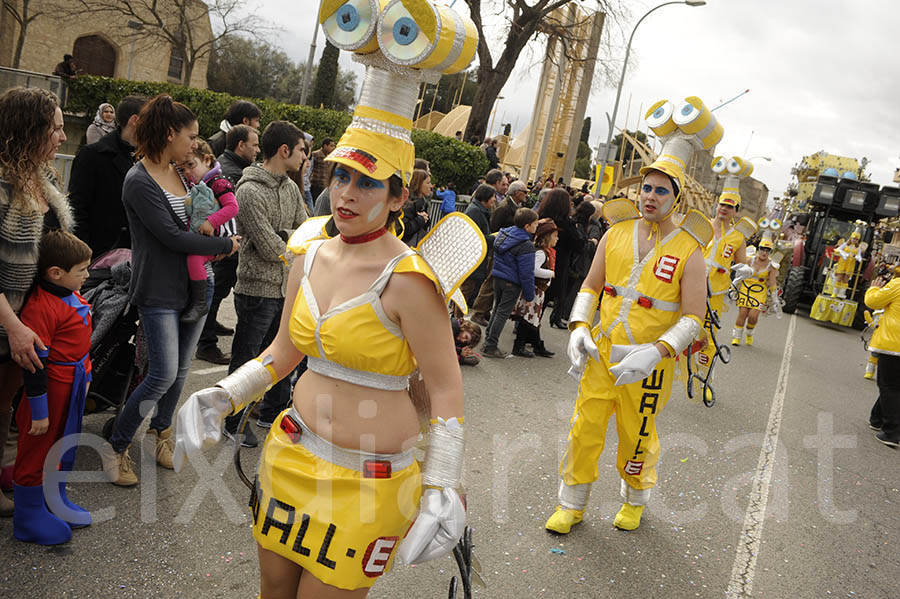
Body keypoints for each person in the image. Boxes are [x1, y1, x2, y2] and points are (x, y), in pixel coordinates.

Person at [172, 6, 482, 587]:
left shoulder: (410, 279)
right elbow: (284, 351)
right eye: (340, 175)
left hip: (369, 480)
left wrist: (441, 482)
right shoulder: (308, 249)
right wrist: (222, 394)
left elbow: (445, 386)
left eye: (368, 182)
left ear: (396, 198)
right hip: (292, 456)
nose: (346, 192)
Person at [547, 109, 713, 534]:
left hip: (649, 365)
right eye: (646, 188)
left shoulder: (690, 252)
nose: (650, 197)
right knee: (584, 427)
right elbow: (590, 285)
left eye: (660, 190)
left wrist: (657, 352)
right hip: (602, 353)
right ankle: (572, 503)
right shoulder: (613, 234)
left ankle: (635, 499)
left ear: (676, 198)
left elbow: (695, 317)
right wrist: (579, 327)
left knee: (636, 434)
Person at [104, 95, 239, 486]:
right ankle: (117, 445)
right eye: (190, 136)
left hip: (197, 284)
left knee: (180, 373)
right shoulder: (139, 180)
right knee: (161, 374)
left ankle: (160, 434)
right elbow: (173, 237)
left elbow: (205, 212)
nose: (194, 144)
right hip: (159, 288)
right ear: (168, 134)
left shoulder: (181, 172)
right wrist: (225, 246)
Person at [0, 87, 71, 517]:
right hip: (9, 320)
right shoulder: (2, 184)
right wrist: (12, 325)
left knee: (8, 402)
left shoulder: (45, 178)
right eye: (56, 128)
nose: (63, 138)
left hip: (31, 321)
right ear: (29, 132)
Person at [221, 121, 309, 448]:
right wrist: (292, 243)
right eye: (301, 150)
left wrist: (291, 240)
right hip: (256, 290)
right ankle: (232, 420)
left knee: (278, 357)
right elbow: (269, 244)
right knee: (247, 359)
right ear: (284, 150)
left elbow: (307, 229)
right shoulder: (249, 190)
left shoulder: (290, 188)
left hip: (285, 289)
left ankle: (270, 412)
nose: (304, 157)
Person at [13, 231, 92, 545]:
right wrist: (39, 411)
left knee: (63, 443)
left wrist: (85, 381)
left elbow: (82, 346)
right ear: (55, 273)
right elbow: (34, 365)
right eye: (82, 270)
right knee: (36, 451)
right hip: (50, 389)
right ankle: (28, 516)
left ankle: (53, 499)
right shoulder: (41, 307)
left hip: (71, 385)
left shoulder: (70, 294)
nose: (87, 275)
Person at [694, 172, 756, 385]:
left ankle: (705, 375)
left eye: (729, 206)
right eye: (722, 204)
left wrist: (746, 271)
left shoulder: (738, 237)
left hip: (716, 293)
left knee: (708, 335)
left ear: (735, 212)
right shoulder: (701, 225)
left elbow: (742, 265)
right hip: (690, 286)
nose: (724, 208)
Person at [69, 95, 147, 257]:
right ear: (135, 120)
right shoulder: (92, 156)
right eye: (151, 121)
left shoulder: (149, 159)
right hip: (99, 256)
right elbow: (77, 209)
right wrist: (86, 255)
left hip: (137, 256)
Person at [178, 140, 240, 323]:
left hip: (221, 237)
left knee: (194, 259)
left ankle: (199, 302)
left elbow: (232, 207)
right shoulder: (200, 185)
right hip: (211, 238)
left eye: (190, 165)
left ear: (207, 160)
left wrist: (210, 223)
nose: (188, 172)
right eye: (183, 169)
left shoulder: (218, 182)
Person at [482, 208, 539, 358]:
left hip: (498, 277)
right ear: (527, 226)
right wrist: (529, 295)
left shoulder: (504, 233)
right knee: (502, 313)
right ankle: (491, 346)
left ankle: (488, 341)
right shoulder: (526, 245)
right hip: (512, 283)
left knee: (496, 310)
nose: (537, 226)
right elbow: (526, 273)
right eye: (535, 223)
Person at [864, 265, 900, 447]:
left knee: (889, 386)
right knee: (893, 385)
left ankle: (892, 432)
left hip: (893, 344)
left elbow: (873, 302)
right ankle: (876, 418)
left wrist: (874, 288)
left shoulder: (897, 285)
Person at [511, 219, 557, 358]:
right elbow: (533, 270)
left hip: (538, 289)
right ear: (547, 237)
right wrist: (550, 273)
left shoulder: (544, 252)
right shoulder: (541, 253)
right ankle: (519, 346)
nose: (557, 239)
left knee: (532, 319)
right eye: (555, 236)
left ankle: (537, 344)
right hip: (535, 289)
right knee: (528, 318)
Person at [540, 188, 580, 329]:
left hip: (540, 261)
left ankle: (526, 331)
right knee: (545, 299)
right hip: (557, 264)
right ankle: (528, 335)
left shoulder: (541, 217)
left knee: (537, 300)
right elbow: (577, 245)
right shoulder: (567, 224)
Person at [732, 235, 780, 347]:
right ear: (759, 249)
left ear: (770, 252)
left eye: (767, 250)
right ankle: (736, 337)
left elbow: (772, 282)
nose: (764, 252)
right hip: (745, 288)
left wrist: (775, 298)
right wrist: (734, 286)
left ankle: (749, 333)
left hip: (760, 292)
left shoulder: (772, 266)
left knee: (753, 316)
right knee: (742, 313)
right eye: (762, 249)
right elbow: (739, 273)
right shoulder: (749, 260)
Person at [459, 184, 496, 312]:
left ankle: (456, 317)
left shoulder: (480, 210)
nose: (494, 200)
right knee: (466, 290)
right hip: (471, 258)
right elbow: (473, 236)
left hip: (475, 257)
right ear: (484, 198)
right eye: (493, 197)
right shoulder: (475, 211)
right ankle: (456, 319)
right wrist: (493, 239)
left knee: (468, 289)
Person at [401, 168, 432, 246]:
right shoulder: (407, 203)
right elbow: (401, 229)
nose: (431, 186)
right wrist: (420, 220)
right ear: (418, 184)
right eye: (428, 183)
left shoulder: (423, 202)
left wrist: (425, 220)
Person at [832, 228, 864, 299]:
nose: (854, 240)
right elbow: (837, 249)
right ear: (851, 238)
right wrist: (843, 253)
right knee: (839, 277)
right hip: (843, 263)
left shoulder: (858, 247)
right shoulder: (845, 244)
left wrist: (856, 257)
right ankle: (835, 293)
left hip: (850, 264)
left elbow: (859, 256)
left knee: (846, 279)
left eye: (856, 239)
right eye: (854, 239)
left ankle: (842, 293)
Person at [308, 138, 335, 202]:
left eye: (333, 146)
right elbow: (309, 168)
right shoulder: (315, 154)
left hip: (325, 185)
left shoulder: (331, 156)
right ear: (325, 146)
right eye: (331, 146)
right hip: (316, 185)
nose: (333, 148)